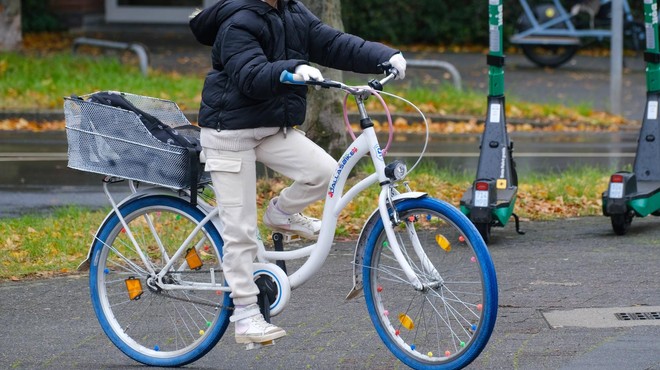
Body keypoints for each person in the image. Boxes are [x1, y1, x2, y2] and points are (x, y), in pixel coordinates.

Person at [190, 0, 406, 345]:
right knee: (241, 231)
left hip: (272, 127)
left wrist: (384, 56)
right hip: (229, 133)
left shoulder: (292, 11)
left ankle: (281, 213)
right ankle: (245, 315)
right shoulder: (238, 20)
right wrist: (290, 69)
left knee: (326, 173)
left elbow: (333, 43)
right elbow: (249, 74)